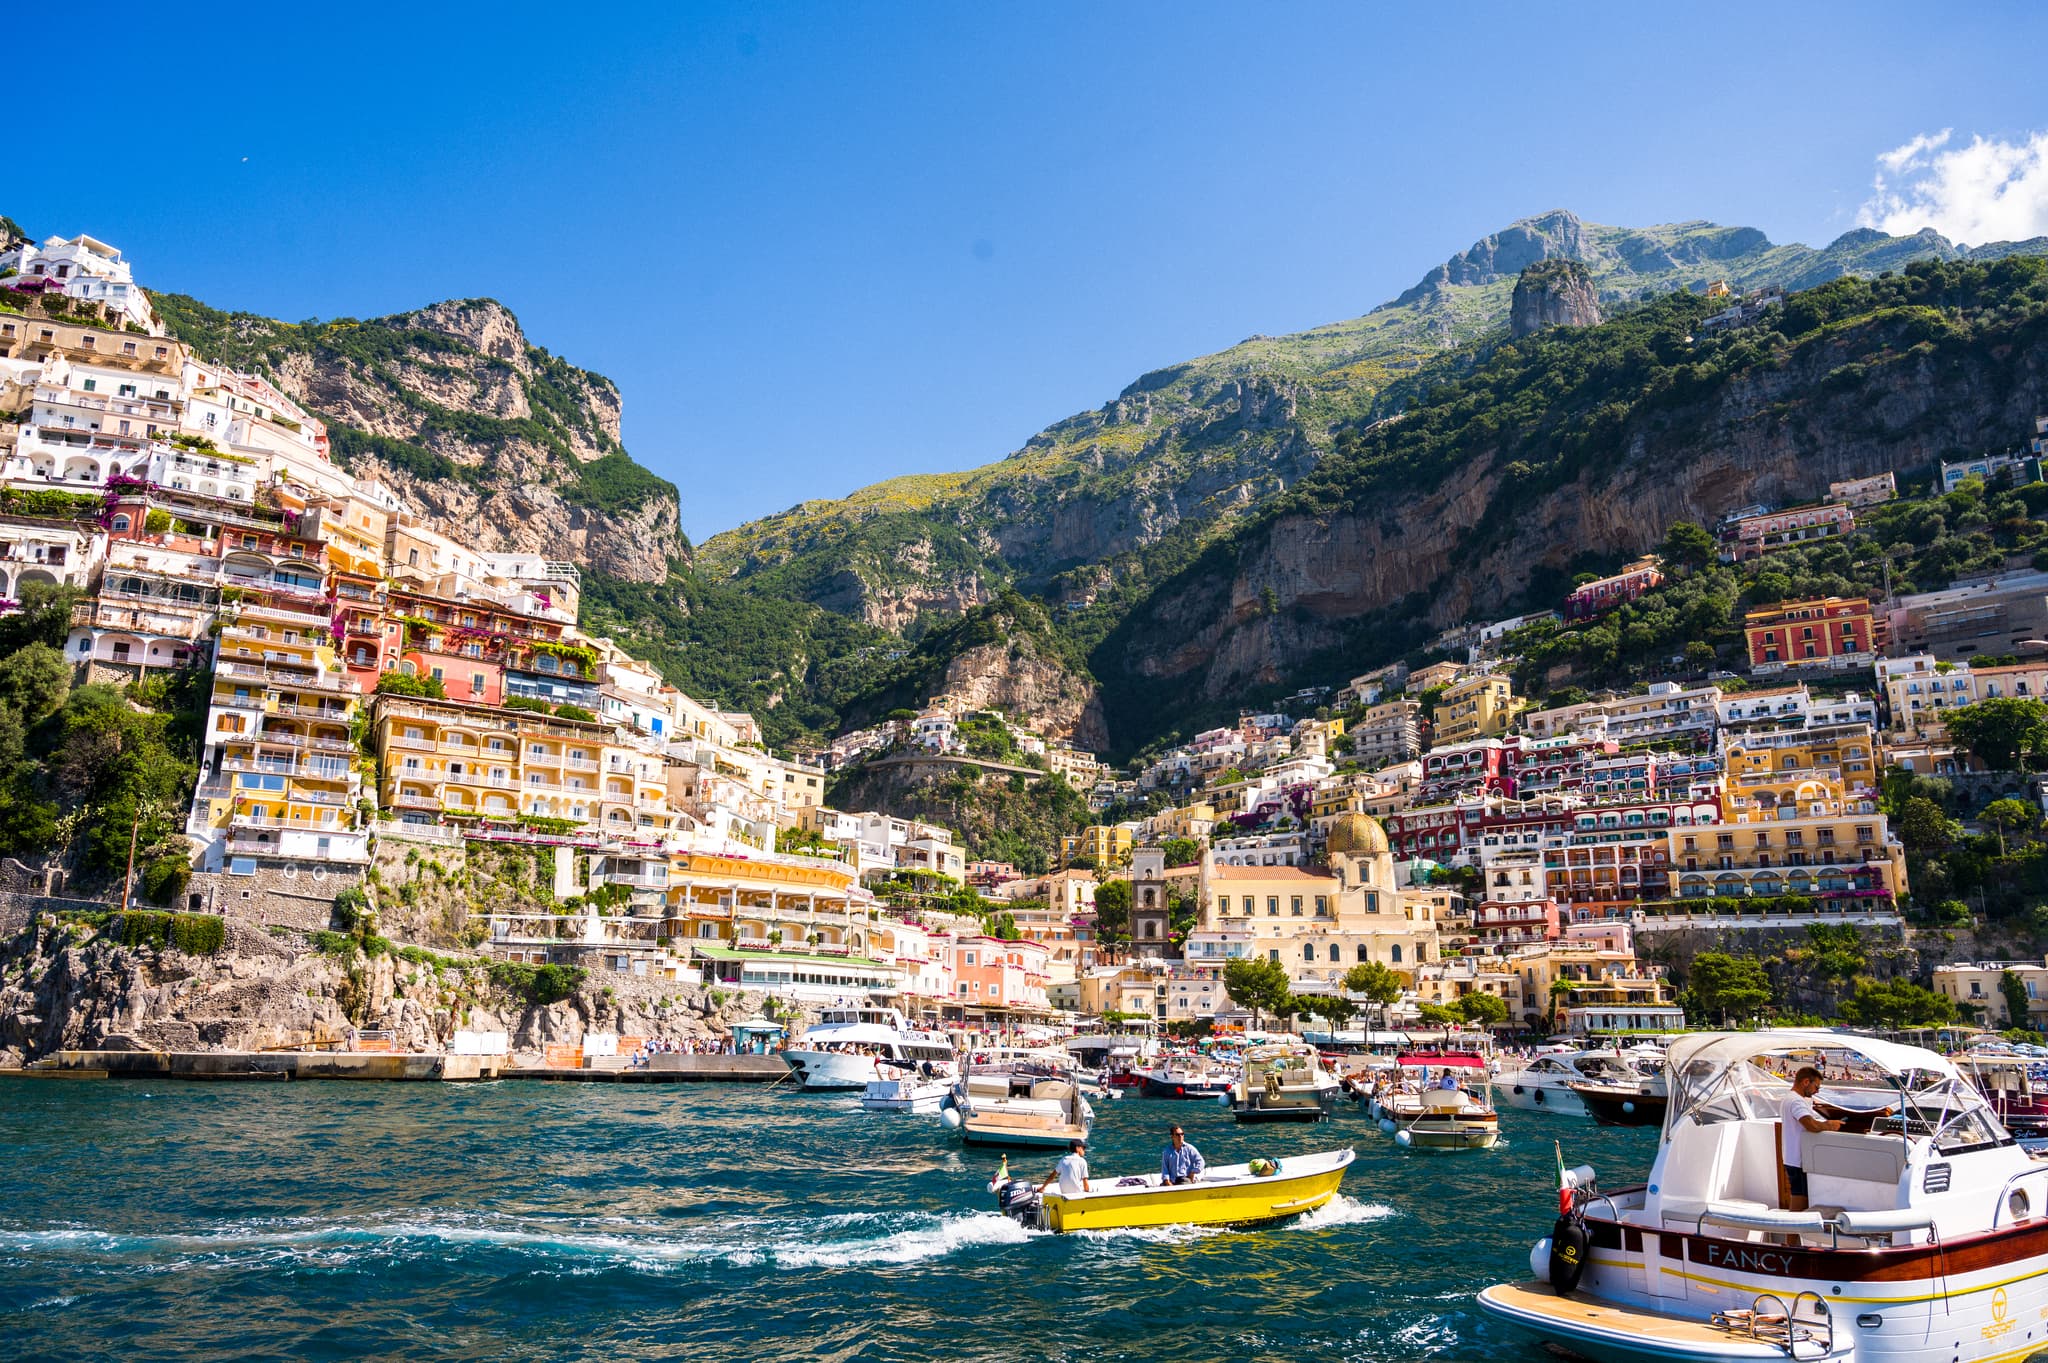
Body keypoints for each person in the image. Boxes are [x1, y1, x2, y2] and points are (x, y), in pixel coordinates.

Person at [1781, 1065, 1894, 1211]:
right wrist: (1829, 1125)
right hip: (1797, 1159)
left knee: (1800, 1195)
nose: (1817, 1091)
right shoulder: (1796, 1101)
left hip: (1793, 1156)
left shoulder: (1789, 1098)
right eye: (1816, 1087)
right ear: (1806, 1082)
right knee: (1800, 1196)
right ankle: (1793, 1232)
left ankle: (1796, 1233)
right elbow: (1811, 1125)